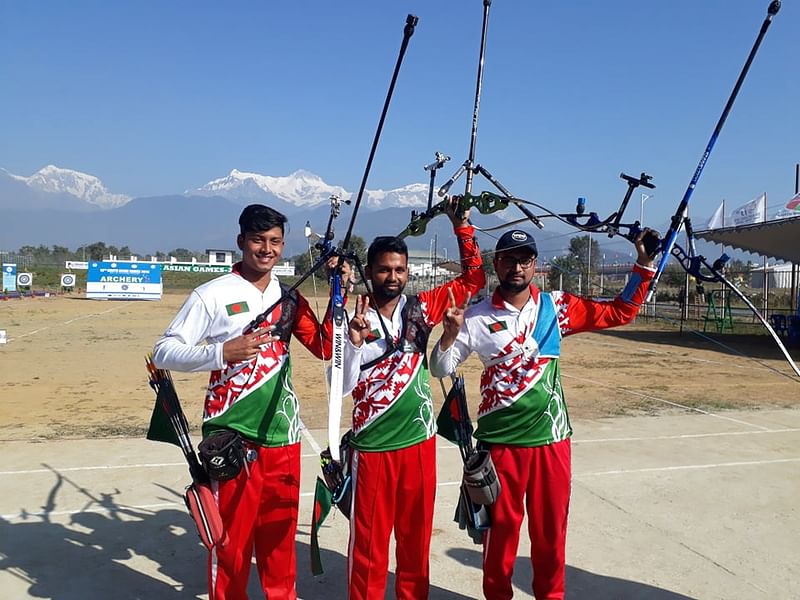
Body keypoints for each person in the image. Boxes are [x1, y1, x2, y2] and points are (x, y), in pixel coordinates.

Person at [429, 228, 658, 600]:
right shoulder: (475, 316)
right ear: (496, 264)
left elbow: (621, 311)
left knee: (551, 537)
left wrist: (644, 265)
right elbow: (440, 369)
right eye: (508, 259)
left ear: (534, 265)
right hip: (499, 447)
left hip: (551, 442)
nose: (516, 266)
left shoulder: (558, 307)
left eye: (524, 259)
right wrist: (450, 335)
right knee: (499, 536)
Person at [152, 203, 336, 600]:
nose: (266, 249)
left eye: (274, 242)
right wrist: (220, 353)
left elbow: (324, 346)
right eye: (257, 240)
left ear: (283, 246)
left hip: (282, 438)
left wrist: (340, 293)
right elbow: (163, 351)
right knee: (231, 547)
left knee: (280, 547)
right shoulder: (212, 295)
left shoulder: (289, 299)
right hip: (232, 437)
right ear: (241, 242)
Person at [342, 197, 486, 600]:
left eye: (400, 269)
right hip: (371, 445)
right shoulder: (351, 316)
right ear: (370, 272)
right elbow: (341, 383)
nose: (392, 276)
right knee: (368, 549)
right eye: (384, 269)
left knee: (414, 545)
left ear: (408, 272)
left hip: (418, 445)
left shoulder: (421, 306)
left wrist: (463, 229)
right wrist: (351, 343)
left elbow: (474, 280)